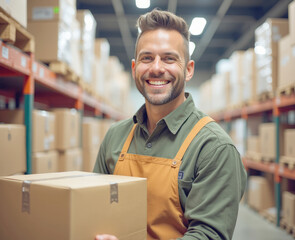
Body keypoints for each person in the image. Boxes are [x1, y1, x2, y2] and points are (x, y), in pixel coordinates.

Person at [94, 9, 247, 240]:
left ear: (188, 70)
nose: (156, 68)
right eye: (147, 58)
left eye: (169, 58)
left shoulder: (214, 148)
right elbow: (95, 209)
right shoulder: (115, 136)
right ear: (135, 68)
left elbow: (208, 234)